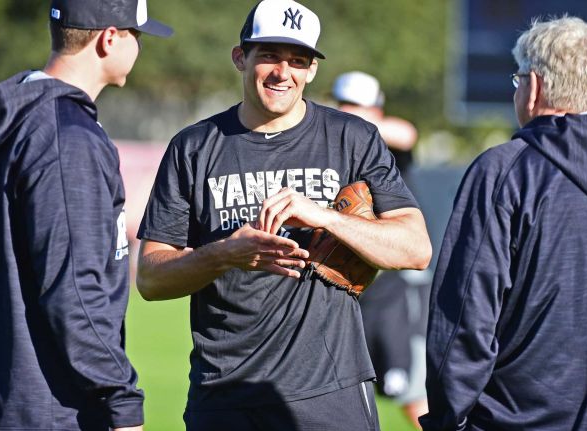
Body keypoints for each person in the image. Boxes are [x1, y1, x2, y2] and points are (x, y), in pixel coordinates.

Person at [135, 1, 432, 430]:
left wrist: (327, 218)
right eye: (269, 55)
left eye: (298, 60)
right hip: (225, 392)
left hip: (332, 392)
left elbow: (416, 248)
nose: (283, 72)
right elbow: (149, 278)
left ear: (312, 70)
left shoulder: (352, 138)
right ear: (241, 57)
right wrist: (224, 254)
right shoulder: (194, 148)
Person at [420, 16, 587, 431]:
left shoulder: (505, 171)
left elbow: (464, 317)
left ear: (535, 86)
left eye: (517, 79)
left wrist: (448, 421)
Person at [0, 1, 172, 430]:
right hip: (46, 409)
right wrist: (121, 405)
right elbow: (74, 291)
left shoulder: (18, 122)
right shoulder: (67, 138)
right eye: (136, 35)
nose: (140, 47)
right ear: (109, 39)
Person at [332, 71, 430, 428]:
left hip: (390, 289)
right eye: (344, 105)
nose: (349, 112)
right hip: (341, 284)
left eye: (358, 106)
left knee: (411, 392)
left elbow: (407, 133)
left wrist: (349, 121)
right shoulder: (329, 140)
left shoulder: (385, 139)